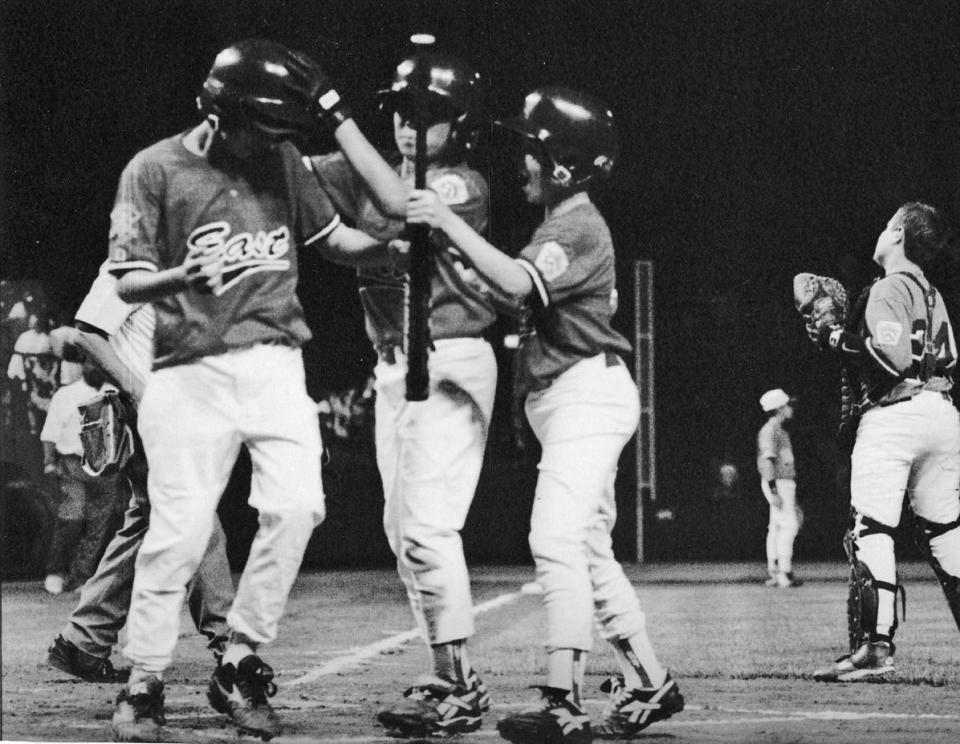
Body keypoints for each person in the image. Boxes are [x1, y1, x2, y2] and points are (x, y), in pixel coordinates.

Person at [103, 39, 400, 742]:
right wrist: (180, 278)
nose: (268, 145)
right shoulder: (154, 169)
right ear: (217, 112)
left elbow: (332, 240)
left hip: (275, 364)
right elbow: (126, 279)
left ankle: (238, 661)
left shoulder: (279, 158)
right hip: (188, 370)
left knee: (299, 506)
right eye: (258, 129)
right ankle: (143, 681)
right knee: (176, 537)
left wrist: (394, 246)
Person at [403, 86, 683, 743]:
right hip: (574, 400)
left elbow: (512, 283)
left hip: (585, 398)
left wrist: (446, 223)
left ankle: (561, 697)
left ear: (563, 164)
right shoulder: (561, 225)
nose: (521, 162)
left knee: (554, 539)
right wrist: (449, 254)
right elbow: (509, 294)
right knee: (586, 549)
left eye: (532, 151)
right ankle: (651, 682)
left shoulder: (576, 225)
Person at [308, 50, 501, 736]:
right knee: (402, 531)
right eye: (401, 112)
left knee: (424, 527)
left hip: (449, 358)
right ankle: (449, 672)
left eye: (432, 116)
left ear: (460, 124)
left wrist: (336, 115)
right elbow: (293, 176)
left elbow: (396, 205)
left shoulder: (462, 185)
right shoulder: (366, 169)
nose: (412, 126)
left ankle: (461, 682)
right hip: (395, 367)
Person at [45, 260, 236, 684]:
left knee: (149, 524)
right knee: (196, 516)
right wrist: (143, 393)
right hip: (146, 414)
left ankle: (83, 640)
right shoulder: (134, 255)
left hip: (176, 413)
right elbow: (88, 333)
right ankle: (230, 645)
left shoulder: (182, 261)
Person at [812, 202, 960, 682]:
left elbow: (892, 359)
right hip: (941, 413)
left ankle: (874, 648)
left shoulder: (889, 286)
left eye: (885, 225)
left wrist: (835, 337)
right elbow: (951, 361)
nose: (879, 232)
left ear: (898, 234)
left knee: (871, 529)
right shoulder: (932, 294)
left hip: (897, 415)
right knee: (945, 534)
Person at [39, 356, 124, 595]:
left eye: (101, 364)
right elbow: (50, 432)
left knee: (98, 526)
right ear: (83, 365)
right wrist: (49, 461)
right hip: (73, 464)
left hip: (106, 467)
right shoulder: (65, 395)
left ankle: (81, 577)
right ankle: (55, 571)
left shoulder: (116, 394)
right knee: (72, 518)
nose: (96, 368)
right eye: (91, 363)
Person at [756, 388, 803, 588]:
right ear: (778, 409)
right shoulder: (771, 430)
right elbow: (767, 461)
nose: (790, 409)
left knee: (776, 528)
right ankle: (784, 573)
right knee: (788, 526)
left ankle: (775, 572)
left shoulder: (779, 430)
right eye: (787, 405)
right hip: (777, 482)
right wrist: (774, 491)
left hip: (781, 482)